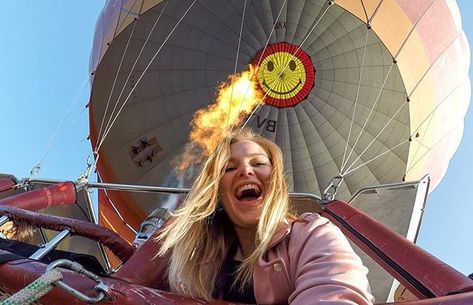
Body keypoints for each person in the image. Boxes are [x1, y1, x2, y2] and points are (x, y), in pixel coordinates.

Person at [156, 128, 374, 304]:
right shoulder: (199, 257)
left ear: (276, 182)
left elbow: (337, 291)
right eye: (229, 168)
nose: (246, 171)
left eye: (259, 163)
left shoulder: (314, 236)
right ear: (218, 193)